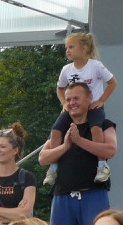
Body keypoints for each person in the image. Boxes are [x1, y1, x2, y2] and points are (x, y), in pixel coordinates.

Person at [39, 82, 118, 225]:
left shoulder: (103, 125)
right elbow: (43, 158)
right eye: (68, 99)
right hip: (63, 196)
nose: (72, 103)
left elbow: (111, 150)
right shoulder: (62, 128)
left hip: (93, 194)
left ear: (89, 98)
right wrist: (66, 146)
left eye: (76, 98)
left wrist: (80, 141)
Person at [44, 31, 116, 188]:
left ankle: (102, 165)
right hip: (73, 110)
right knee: (56, 130)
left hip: (93, 108)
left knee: (96, 127)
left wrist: (101, 100)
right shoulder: (66, 69)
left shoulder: (95, 66)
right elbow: (60, 88)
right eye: (66, 48)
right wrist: (65, 103)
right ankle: (53, 168)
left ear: (84, 48)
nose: (67, 50)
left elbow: (112, 82)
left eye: (71, 47)